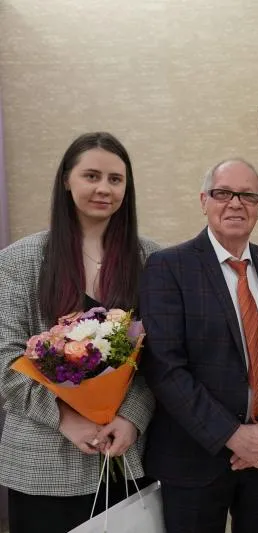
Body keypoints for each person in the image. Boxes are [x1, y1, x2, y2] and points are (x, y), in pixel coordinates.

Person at [139, 158, 258, 533]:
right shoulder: (168, 267)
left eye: (248, 196)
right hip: (194, 458)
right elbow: (165, 367)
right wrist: (232, 435)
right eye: (223, 193)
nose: (236, 203)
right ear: (204, 201)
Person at [0, 132, 158, 533]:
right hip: (41, 460)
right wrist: (66, 418)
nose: (104, 188)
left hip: (126, 455)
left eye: (115, 179)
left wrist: (132, 417)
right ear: (66, 181)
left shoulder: (152, 260)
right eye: (91, 176)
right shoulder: (18, 260)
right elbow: (5, 360)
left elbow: (162, 357)